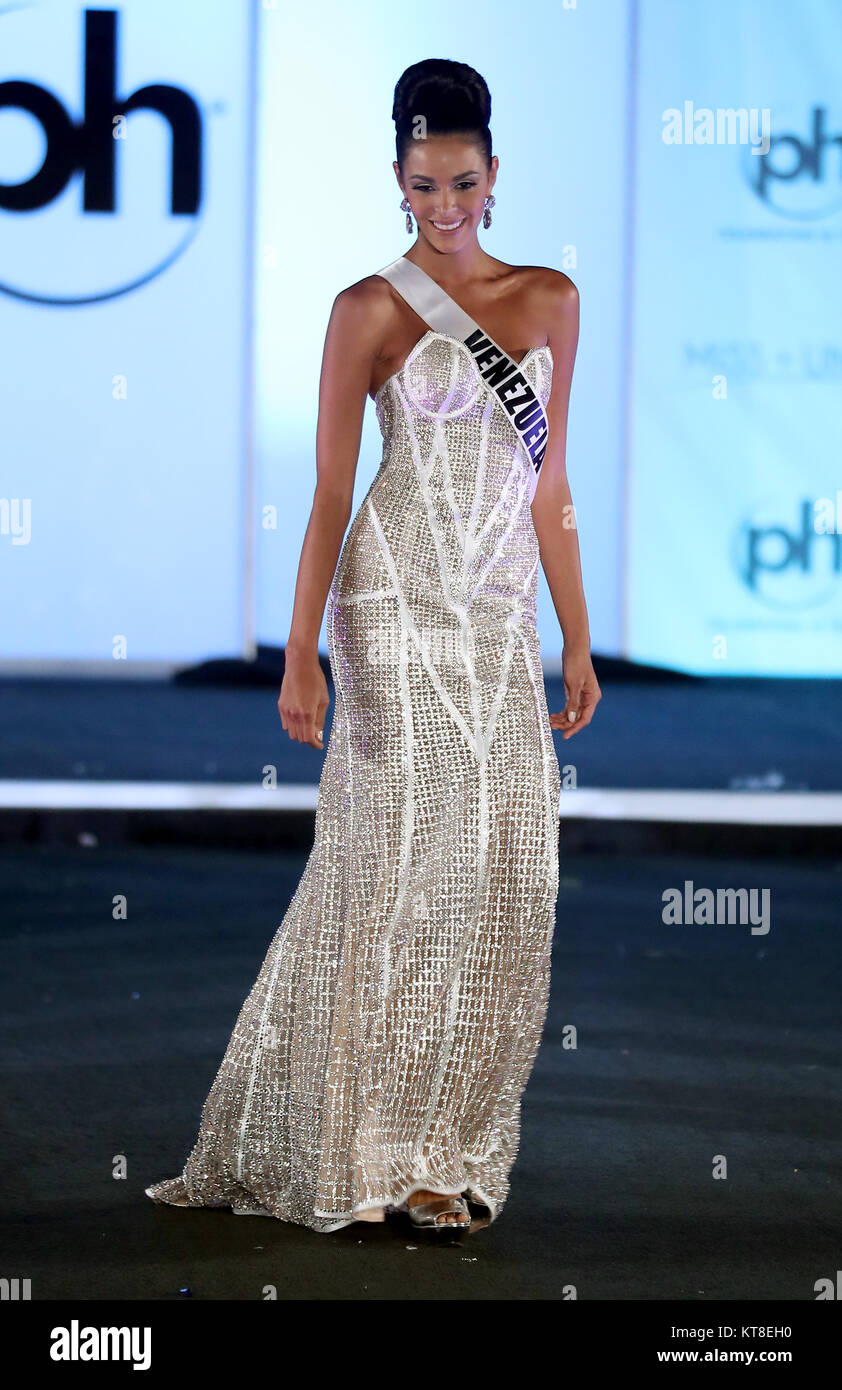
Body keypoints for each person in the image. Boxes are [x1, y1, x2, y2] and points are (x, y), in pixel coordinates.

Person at [146, 57, 600, 1235]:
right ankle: (379, 1152)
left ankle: (444, 1147)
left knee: (508, 876)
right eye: (419, 186)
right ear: (395, 184)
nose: (441, 207)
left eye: (459, 182)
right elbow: (329, 494)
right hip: (389, 603)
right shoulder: (368, 308)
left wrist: (578, 640)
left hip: (497, 615)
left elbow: (550, 493)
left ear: (493, 175)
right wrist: (299, 651)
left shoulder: (552, 299)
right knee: (401, 868)